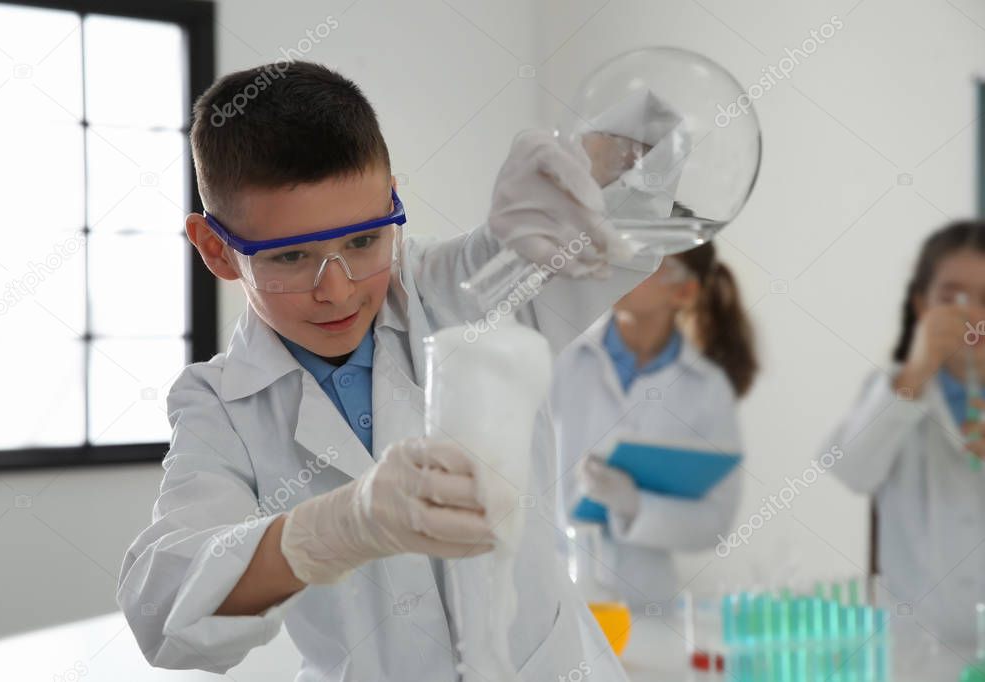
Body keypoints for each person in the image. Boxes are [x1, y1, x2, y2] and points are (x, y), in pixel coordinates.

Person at [115, 60, 662, 680]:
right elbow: (163, 610)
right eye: (292, 256)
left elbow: (661, 164)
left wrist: (587, 164)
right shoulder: (218, 406)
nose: (339, 291)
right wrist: (340, 528)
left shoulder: (460, 287)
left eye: (363, 240)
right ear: (217, 249)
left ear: (391, 199)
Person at [552, 241, 757, 605]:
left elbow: (716, 521)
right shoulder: (563, 356)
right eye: (626, 253)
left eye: (649, 262)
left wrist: (634, 506)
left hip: (645, 599)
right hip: (554, 586)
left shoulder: (708, 389)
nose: (624, 267)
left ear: (684, 291)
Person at [826, 219, 985, 645]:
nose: (972, 315)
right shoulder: (895, 389)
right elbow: (851, 471)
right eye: (952, 298)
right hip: (914, 648)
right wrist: (914, 374)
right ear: (921, 305)